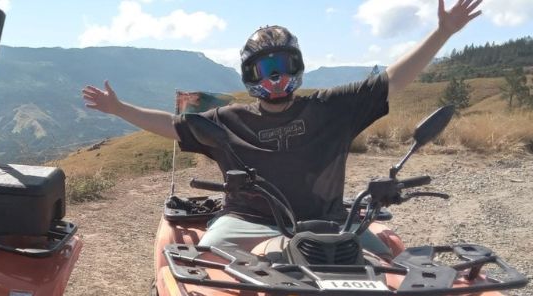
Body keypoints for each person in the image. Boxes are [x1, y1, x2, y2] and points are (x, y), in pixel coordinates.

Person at [82, 0, 482, 255]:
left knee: (395, 274)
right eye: (265, 68)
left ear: (297, 67)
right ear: (250, 74)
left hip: (330, 225)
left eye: (283, 66)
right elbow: (174, 125)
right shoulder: (229, 120)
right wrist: (120, 109)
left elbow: (391, 82)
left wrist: (442, 33)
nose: (275, 78)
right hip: (246, 223)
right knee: (203, 271)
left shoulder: (333, 108)